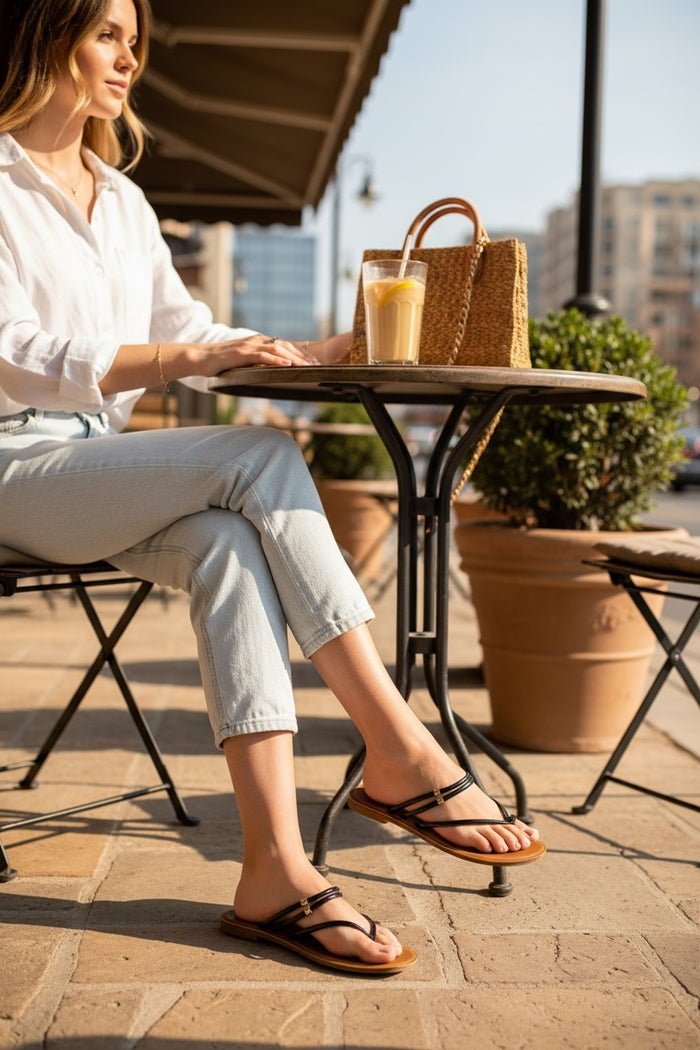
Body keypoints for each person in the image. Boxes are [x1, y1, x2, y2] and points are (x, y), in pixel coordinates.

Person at [0, 0, 545, 975]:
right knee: (255, 459)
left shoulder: (120, 199)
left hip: (97, 469)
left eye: (137, 41)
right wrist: (172, 358)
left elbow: (191, 329)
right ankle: (399, 747)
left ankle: (272, 870)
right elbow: (15, 353)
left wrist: (305, 352)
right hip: (12, 464)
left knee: (227, 543)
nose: (130, 59)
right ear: (49, 35)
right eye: (110, 35)